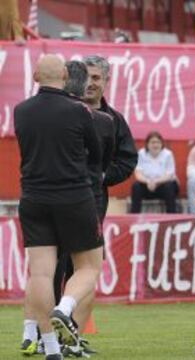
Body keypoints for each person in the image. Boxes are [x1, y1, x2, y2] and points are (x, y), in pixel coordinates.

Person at [15, 54, 103, 360]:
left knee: (40, 274)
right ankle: (65, 309)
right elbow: (96, 153)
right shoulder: (79, 111)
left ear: (36, 75)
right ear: (66, 75)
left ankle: (51, 348)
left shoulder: (21, 111)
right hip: (74, 197)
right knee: (89, 266)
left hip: (34, 197)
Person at [83, 55, 138, 213]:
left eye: (95, 78)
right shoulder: (64, 114)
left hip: (95, 198)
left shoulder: (115, 120)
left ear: (106, 80)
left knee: (91, 238)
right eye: (86, 77)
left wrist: (101, 177)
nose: (89, 83)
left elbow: (127, 160)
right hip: (61, 195)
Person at [130, 131, 179, 213]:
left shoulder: (168, 154)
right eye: (152, 142)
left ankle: (171, 217)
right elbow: (138, 174)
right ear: (147, 144)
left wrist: (155, 182)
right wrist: (148, 181)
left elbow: (170, 174)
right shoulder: (141, 154)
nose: (155, 145)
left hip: (163, 185)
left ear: (161, 144)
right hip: (147, 185)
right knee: (136, 187)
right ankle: (134, 217)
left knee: (170, 186)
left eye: (158, 142)